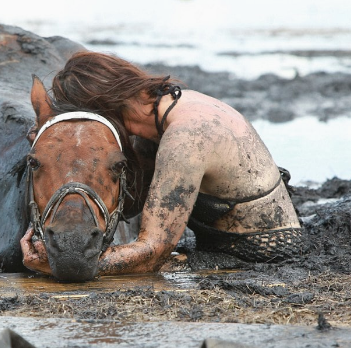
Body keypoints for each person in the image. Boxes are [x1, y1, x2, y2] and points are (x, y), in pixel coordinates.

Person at [21, 51, 303, 276]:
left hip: (259, 256)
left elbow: (153, 251)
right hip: (231, 245)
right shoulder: (169, 113)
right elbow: (131, 206)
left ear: (103, 107)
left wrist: (63, 262)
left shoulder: (186, 138)